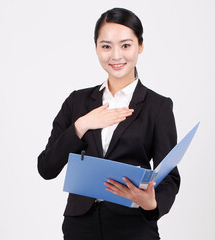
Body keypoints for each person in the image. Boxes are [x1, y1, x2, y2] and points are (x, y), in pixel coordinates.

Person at [38, 7, 180, 240]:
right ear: (96, 48)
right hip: (80, 227)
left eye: (126, 45)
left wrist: (152, 203)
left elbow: (169, 177)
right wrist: (82, 125)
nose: (116, 55)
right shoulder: (77, 102)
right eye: (106, 46)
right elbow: (46, 167)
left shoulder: (158, 106)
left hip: (133, 227)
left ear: (140, 46)